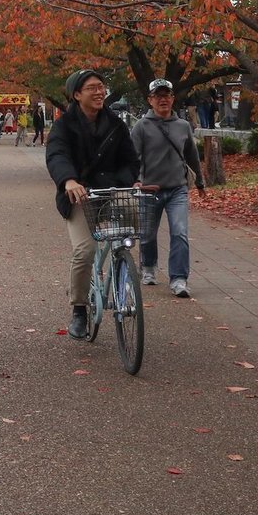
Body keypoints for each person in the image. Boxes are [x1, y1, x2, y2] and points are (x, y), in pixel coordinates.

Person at [45, 69, 141, 339]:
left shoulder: (116, 124)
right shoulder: (64, 126)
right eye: (92, 88)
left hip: (110, 191)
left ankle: (123, 262)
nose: (99, 92)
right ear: (77, 95)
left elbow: (131, 161)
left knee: (135, 213)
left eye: (101, 87)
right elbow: (56, 155)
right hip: (79, 196)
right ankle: (79, 308)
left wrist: (127, 181)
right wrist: (69, 181)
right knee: (85, 251)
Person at [130, 79, 206, 298]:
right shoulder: (141, 126)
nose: (163, 100)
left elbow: (192, 155)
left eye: (167, 95)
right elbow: (132, 157)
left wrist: (200, 182)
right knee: (147, 235)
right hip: (149, 189)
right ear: (150, 100)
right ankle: (149, 266)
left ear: (173, 98)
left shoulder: (182, 126)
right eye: (158, 96)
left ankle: (179, 279)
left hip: (177, 190)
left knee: (180, 232)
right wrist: (135, 179)